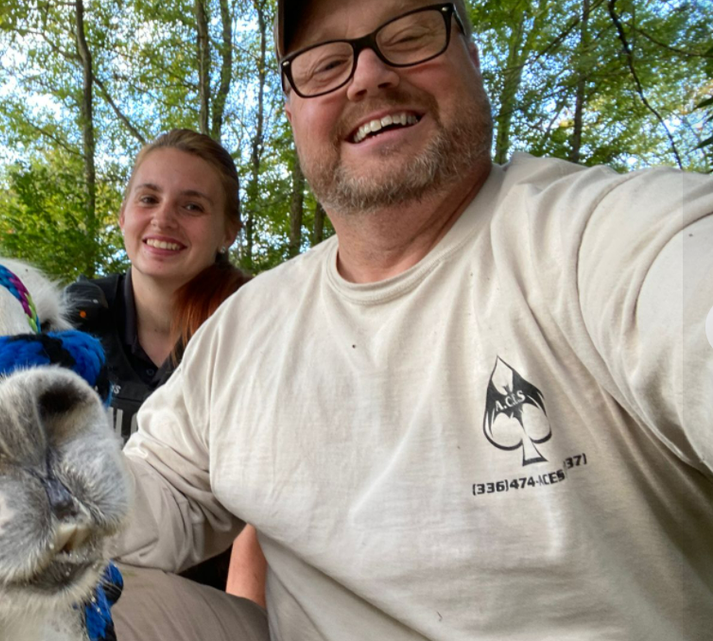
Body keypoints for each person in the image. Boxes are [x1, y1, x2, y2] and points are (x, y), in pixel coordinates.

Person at [110, 1, 713, 640]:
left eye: (408, 34)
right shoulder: (247, 324)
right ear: (293, 110)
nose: (367, 76)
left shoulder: (607, 238)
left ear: (471, 55)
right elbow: (153, 496)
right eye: (324, 64)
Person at [65, 129, 266, 597]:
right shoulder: (70, 324)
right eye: (148, 198)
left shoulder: (255, 327)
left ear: (228, 230)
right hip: (87, 572)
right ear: (122, 215)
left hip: (211, 595)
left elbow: (268, 499)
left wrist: (246, 616)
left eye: (192, 206)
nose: (164, 219)